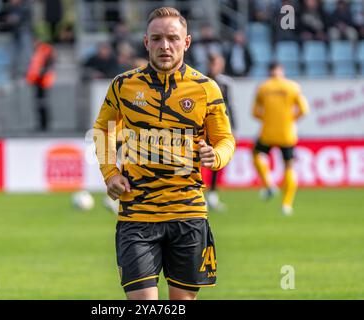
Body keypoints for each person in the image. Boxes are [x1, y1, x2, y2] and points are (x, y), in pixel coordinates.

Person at [93, 7, 235, 300]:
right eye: (157, 38)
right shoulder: (123, 86)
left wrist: (217, 157)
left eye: (172, 38)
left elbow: (225, 140)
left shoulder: (206, 89)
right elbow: (103, 131)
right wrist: (110, 173)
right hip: (137, 215)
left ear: (187, 42)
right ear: (146, 42)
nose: (165, 45)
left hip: (188, 214)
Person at [252, 62, 309, 216]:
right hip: (287, 133)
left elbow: (255, 112)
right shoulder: (292, 87)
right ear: (281, 71)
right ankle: (286, 205)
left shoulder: (263, 87)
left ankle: (269, 184)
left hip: (268, 132)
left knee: (257, 154)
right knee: (289, 166)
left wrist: (268, 119)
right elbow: (304, 109)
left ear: (269, 71)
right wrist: (291, 119)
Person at [205, 54, 236, 212]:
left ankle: (212, 195)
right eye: (213, 63)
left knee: (216, 162)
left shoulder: (225, 83)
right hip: (202, 129)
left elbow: (229, 107)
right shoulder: (199, 80)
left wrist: (233, 127)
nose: (215, 66)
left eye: (217, 63)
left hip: (218, 129)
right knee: (196, 162)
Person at [26, 40, 56, 131]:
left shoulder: (44, 49)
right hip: (37, 80)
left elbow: (49, 62)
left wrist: (42, 73)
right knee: (39, 103)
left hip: (42, 80)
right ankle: (41, 123)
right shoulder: (38, 50)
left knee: (42, 103)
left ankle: (44, 124)